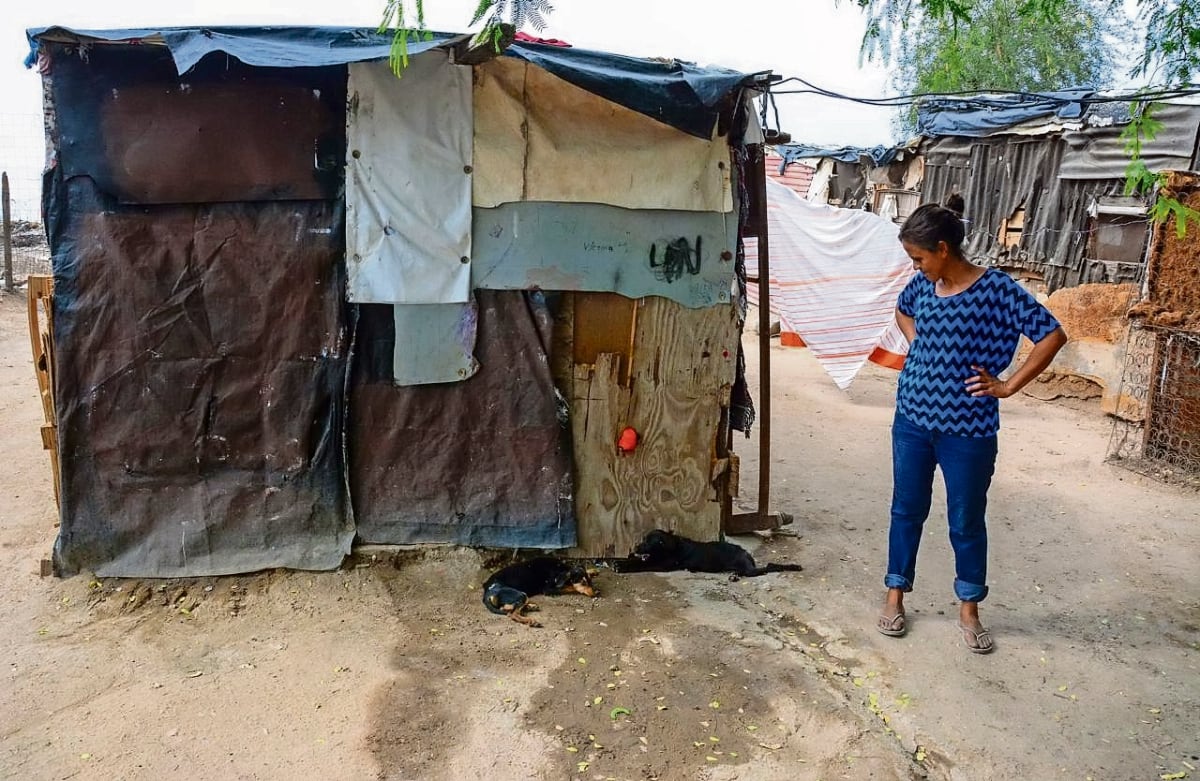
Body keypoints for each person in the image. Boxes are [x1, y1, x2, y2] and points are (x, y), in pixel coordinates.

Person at [877, 197, 1067, 654]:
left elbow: (1051, 334)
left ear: (943, 249)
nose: (916, 267)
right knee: (907, 509)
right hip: (912, 421)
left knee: (965, 519)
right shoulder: (923, 286)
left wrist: (1009, 386)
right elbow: (903, 309)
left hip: (969, 430)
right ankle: (895, 594)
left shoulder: (997, 290)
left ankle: (969, 608)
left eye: (919, 258)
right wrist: (915, 339)